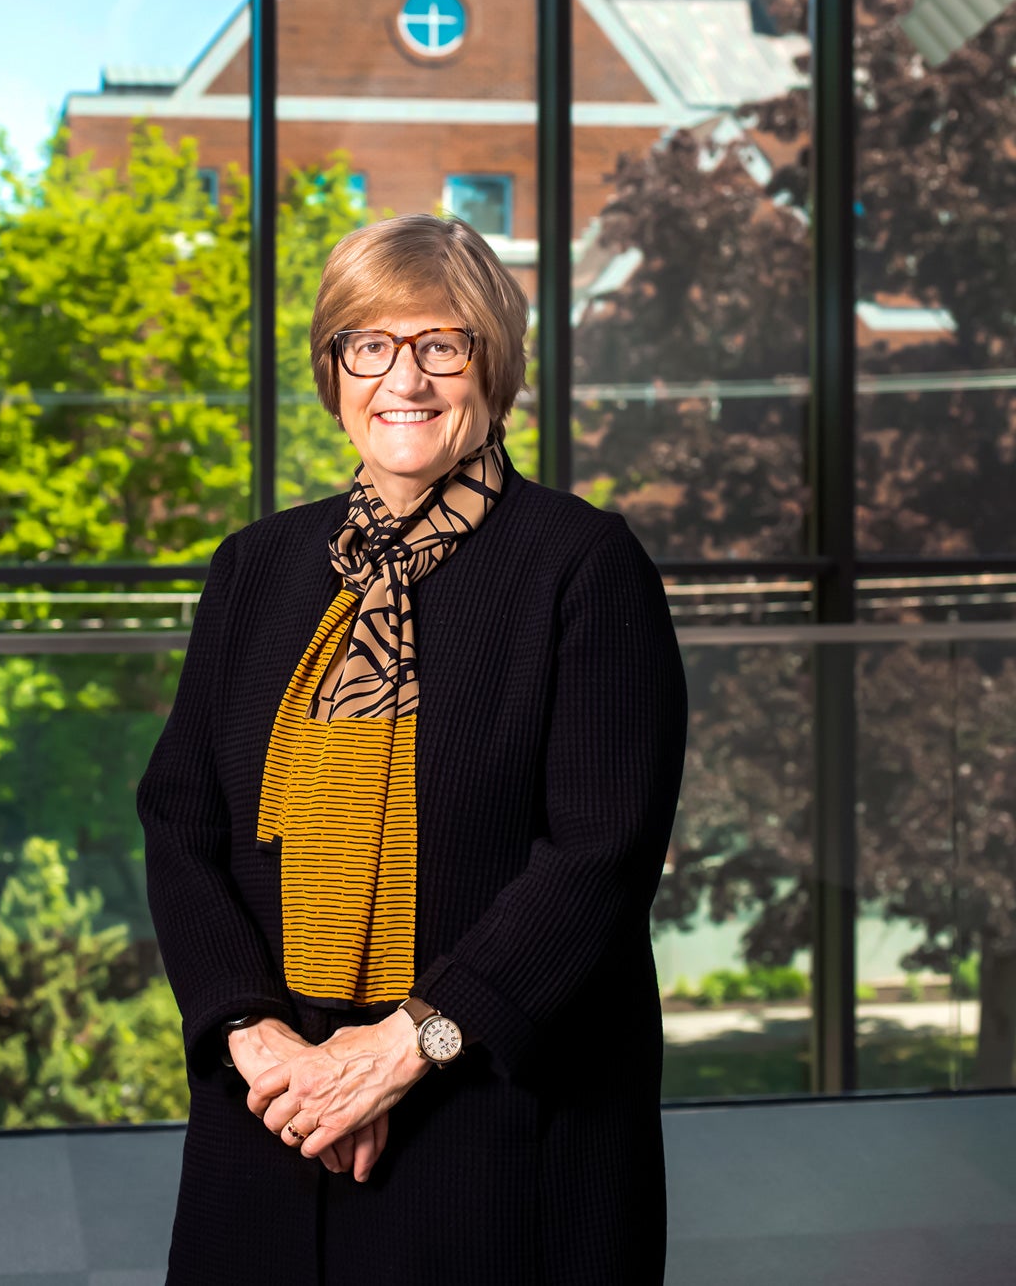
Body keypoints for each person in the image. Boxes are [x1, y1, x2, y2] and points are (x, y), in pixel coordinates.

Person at [136, 212, 688, 1285]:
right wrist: (263, 1046)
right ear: (334, 369)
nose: (407, 378)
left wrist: (399, 1053)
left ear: (496, 366)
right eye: (370, 345)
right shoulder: (256, 566)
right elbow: (181, 820)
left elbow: (598, 857)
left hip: (494, 1113)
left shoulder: (585, 566)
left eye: (445, 345)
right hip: (278, 1110)